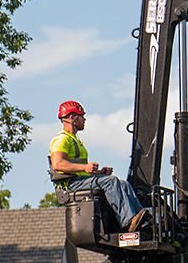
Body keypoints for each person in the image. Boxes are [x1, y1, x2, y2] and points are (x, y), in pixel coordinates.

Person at [49, 100, 149, 233]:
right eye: (81, 116)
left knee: (123, 184)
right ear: (72, 118)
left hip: (80, 180)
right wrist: (84, 168)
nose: (84, 119)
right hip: (71, 184)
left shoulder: (75, 140)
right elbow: (58, 164)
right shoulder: (62, 139)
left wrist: (99, 172)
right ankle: (128, 221)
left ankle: (141, 219)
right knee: (111, 182)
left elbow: (81, 171)